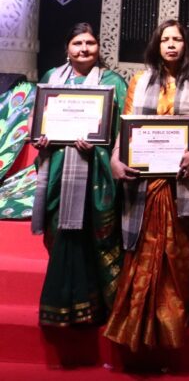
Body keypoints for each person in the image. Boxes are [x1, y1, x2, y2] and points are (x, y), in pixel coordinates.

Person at [105, 20, 189, 353]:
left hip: (181, 182)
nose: (171, 44)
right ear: (156, 45)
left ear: (186, 45)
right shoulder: (139, 82)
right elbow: (125, 128)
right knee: (145, 250)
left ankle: (173, 320)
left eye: (177, 39)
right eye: (165, 39)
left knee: (177, 248)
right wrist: (115, 159)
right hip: (144, 182)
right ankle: (137, 318)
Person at [31, 22, 128, 326]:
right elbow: (38, 121)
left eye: (90, 43)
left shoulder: (113, 82)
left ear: (98, 47)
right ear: (67, 48)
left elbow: (123, 130)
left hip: (96, 172)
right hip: (58, 169)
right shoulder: (51, 78)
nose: (84, 49)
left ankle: (96, 308)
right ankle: (62, 304)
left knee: (94, 237)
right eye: (77, 43)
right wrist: (39, 139)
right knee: (60, 232)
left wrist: (99, 146)